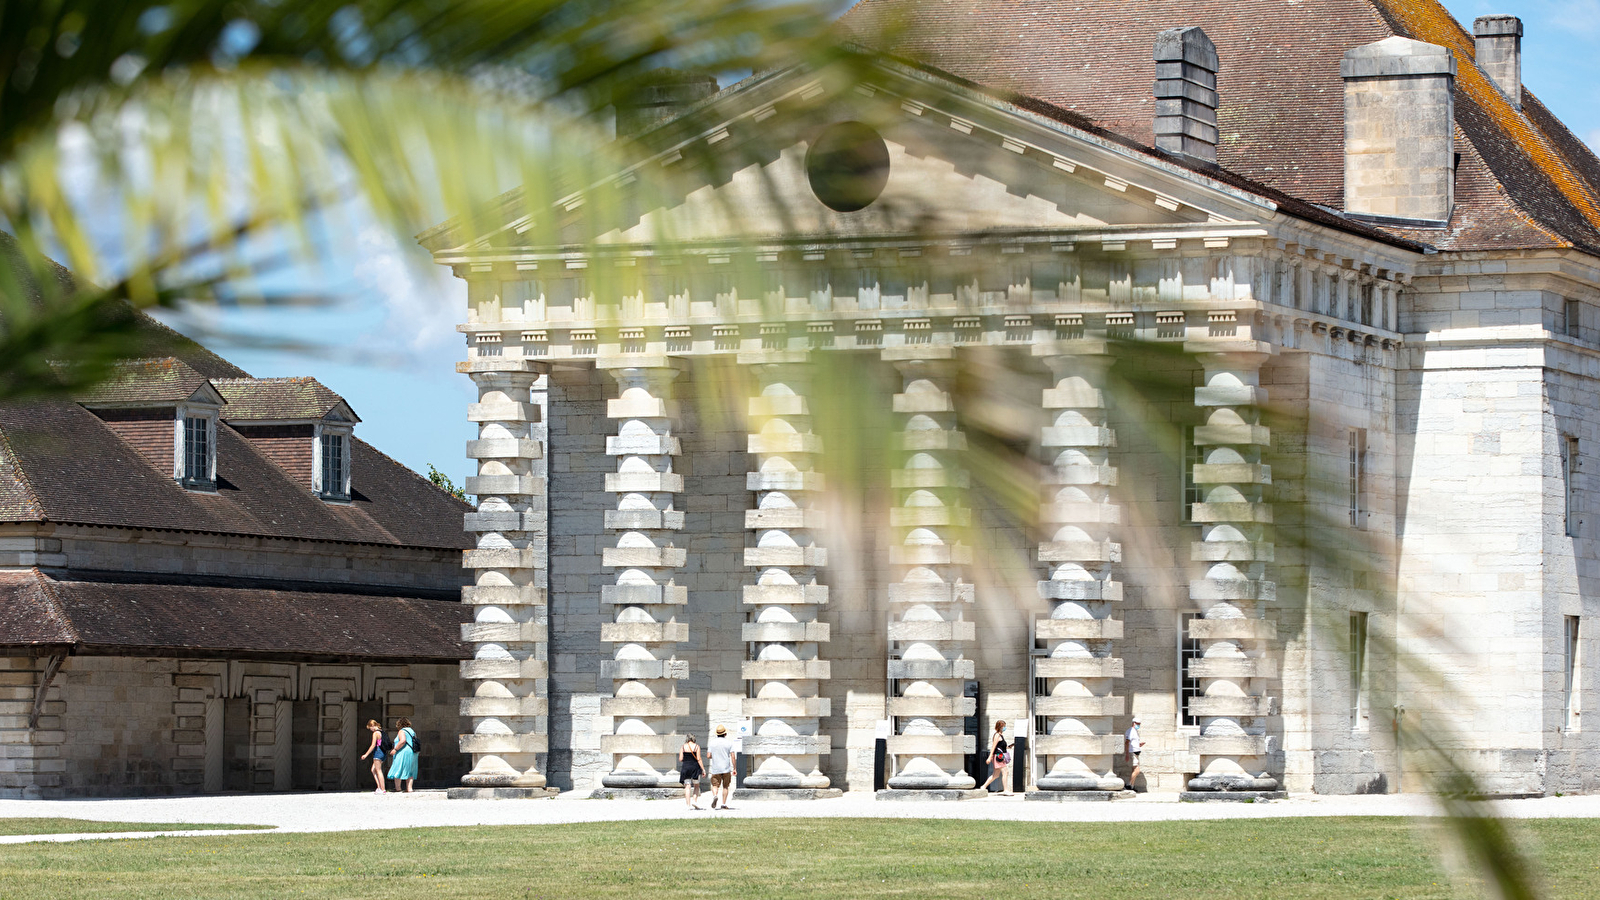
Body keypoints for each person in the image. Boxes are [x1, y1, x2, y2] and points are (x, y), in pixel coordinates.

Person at [977, 720, 1012, 795]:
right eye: (1003, 726)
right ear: (1000, 727)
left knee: (995, 775)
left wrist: (1008, 747)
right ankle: (1005, 790)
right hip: (998, 757)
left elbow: (1001, 746)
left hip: (998, 756)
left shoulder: (1000, 735)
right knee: (1005, 772)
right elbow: (994, 746)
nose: (1005, 728)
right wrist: (989, 757)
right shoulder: (997, 735)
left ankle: (983, 786)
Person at [706, 724, 737, 810]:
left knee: (715, 785)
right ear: (725, 734)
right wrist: (734, 768)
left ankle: (715, 795)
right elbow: (733, 756)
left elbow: (708, 755)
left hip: (716, 768)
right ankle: (723, 804)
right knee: (725, 786)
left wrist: (715, 756)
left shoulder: (712, 743)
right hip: (726, 767)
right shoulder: (729, 743)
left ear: (717, 734)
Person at [387, 717, 419, 793]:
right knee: (410, 770)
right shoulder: (412, 731)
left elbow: (403, 741)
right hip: (413, 752)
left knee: (398, 768)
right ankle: (409, 788)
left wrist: (395, 749)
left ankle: (398, 788)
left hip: (403, 752)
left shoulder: (402, 731)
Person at [678, 734, 706, 810]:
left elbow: (680, 759)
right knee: (696, 785)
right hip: (695, 767)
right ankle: (695, 801)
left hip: (686, 767)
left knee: (687, 786)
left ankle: (688, 805)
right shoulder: (697, 746)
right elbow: (699, 759)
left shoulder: (683, 746)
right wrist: (703, 769)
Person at [359, 719, 387, 794]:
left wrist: (366, 754)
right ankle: (379, 787)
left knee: (378, 770)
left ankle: (382, 789)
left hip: (378, 752)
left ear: (372, 726)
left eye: (370, 728)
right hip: (383, 752)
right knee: (373, 770)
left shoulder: (375, 733)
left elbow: (373, 745)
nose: (370, 730)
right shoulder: (382, 732)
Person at [1124, 716, 1145, 790]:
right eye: (1137, 724)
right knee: (1137, 770)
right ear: (1134, 723)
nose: (1138, 725)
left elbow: (1133, 743)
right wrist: (1127, 754)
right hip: (1132, 753)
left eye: (1139, 724)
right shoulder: (1130, 731)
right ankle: (1128, 784)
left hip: (1136, 752)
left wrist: (1139, 745)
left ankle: (1132, 786)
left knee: (1134, 770)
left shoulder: (1135, 732)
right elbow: (1127, 742)